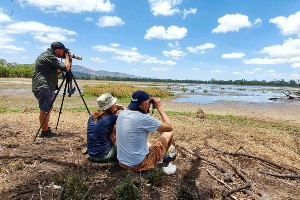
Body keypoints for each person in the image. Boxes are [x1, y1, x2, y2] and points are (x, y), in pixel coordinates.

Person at [116, 90, 175, 172]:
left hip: (122, 163)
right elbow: (169, 127)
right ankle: (162, 158)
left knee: (145, 141)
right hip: (139, 165)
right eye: (148, 103)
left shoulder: (122, 113)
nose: (149, 105)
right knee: (169, 133)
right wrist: (159, 108)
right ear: (144, 105)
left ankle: (161, 157)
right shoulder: (144, 118)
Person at [32, 41, 71, 138]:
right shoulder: (49, 56)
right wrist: (67, 58)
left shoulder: (47, 56)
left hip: (44, 86)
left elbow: (56, 72)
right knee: (45, 109)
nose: (63, 53)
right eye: (63, 51)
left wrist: (66, 63)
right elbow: (66, 68)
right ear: (57, 50)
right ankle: (44, 132)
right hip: (44, 87)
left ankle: (45, 129)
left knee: (47, 108)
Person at [87, 93, 125, 163]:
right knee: (119, 132)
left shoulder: (92, 116)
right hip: (103, 156)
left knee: (112, 129)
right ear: (110, 106)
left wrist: (115, 111)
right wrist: (124, 109)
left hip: (91, 155)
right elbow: (127, 122)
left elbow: (107, 123)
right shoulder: (112, 118)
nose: (115, 105)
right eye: (114, 104)